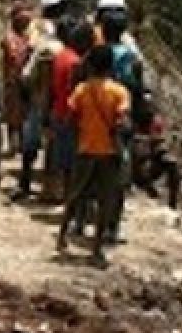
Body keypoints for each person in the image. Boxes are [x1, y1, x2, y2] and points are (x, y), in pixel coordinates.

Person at [56, 45, 131, 267]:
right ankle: (96, 249)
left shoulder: (82, 89)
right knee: (105, 201)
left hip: (85, 150)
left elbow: (69, 118)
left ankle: (61, 236)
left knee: (75, 194)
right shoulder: (119, 92)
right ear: (110, 66)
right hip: (108, 153)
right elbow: (123, 120)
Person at [95, 0, 146, 242]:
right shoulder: (132, 57)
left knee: (91, 169)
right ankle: (112, 227)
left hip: (94, 118)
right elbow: (139, 92)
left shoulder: (95, 53)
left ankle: (83, 221)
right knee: (119, 174)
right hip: (122, 121)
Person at [16, 0, 69, 200]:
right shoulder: (66, 31)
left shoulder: (36, 29)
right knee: (54, 142)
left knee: (32, 138)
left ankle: (27, 182)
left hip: (39, 93)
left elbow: (27, 65)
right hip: (56, 95)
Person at [45, 17, 94, 203]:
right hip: (70, 116)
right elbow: (76, 92)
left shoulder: (60, 56)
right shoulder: (75, 63)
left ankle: (67, 197)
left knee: (64, 161)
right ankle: (73, 201)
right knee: (74, 162)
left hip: (58, 112)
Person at [0, 2, 34, 156]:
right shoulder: (9, 38)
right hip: (13, 82)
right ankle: (13, 145)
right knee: (13, 114)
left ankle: (22, 144)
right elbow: (14, 57)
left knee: (24, 113)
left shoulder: (28, 36)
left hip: (26, 81)